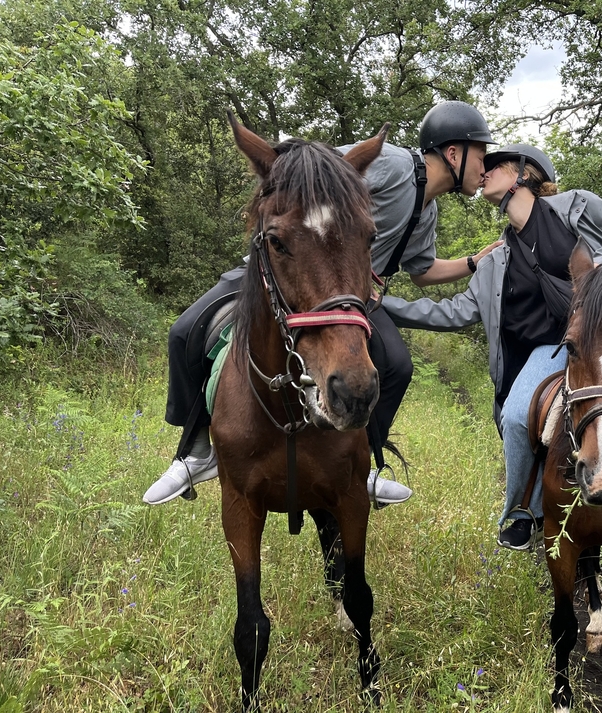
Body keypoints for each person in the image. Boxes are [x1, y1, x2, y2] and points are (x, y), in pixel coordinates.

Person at [142, 101, 500, 507]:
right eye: (482, 155)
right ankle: (195, 449)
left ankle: (363, 462)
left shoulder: (427, 211)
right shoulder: (396, 165)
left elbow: (422, 270)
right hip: (285, 274)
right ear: (454, 153)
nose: (485, 167)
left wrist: (474, 262)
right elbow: (320, 167)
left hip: (351, 300)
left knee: (397, 365)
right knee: (184, 332)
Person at [381, 144, 602, 550]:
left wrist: (598, 272)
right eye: (485, 165)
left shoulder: (575, 207)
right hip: (551, 351)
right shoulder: (496, 259)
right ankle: (523, 511)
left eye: (497, 166)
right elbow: (453, 312)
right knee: (514, 417)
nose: (485, 171)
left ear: (523, 175)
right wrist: (379, 305)